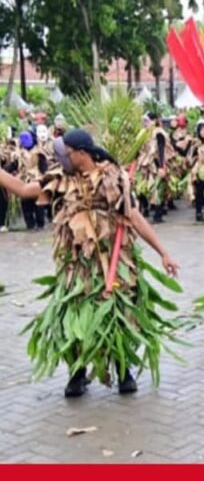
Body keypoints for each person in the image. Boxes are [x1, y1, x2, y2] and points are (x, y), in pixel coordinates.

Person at [0, 129, 180, 397]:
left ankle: (122, 370)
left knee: (117, 312)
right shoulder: (60, 179)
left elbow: (135, 218)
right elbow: (25, 190)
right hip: (77, 264)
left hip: (113, 262)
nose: (62, 158)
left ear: (82, 154)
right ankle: (77, 373)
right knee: (74, 313)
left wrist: (163, 252)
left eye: (66, 153)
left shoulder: (113, 178)